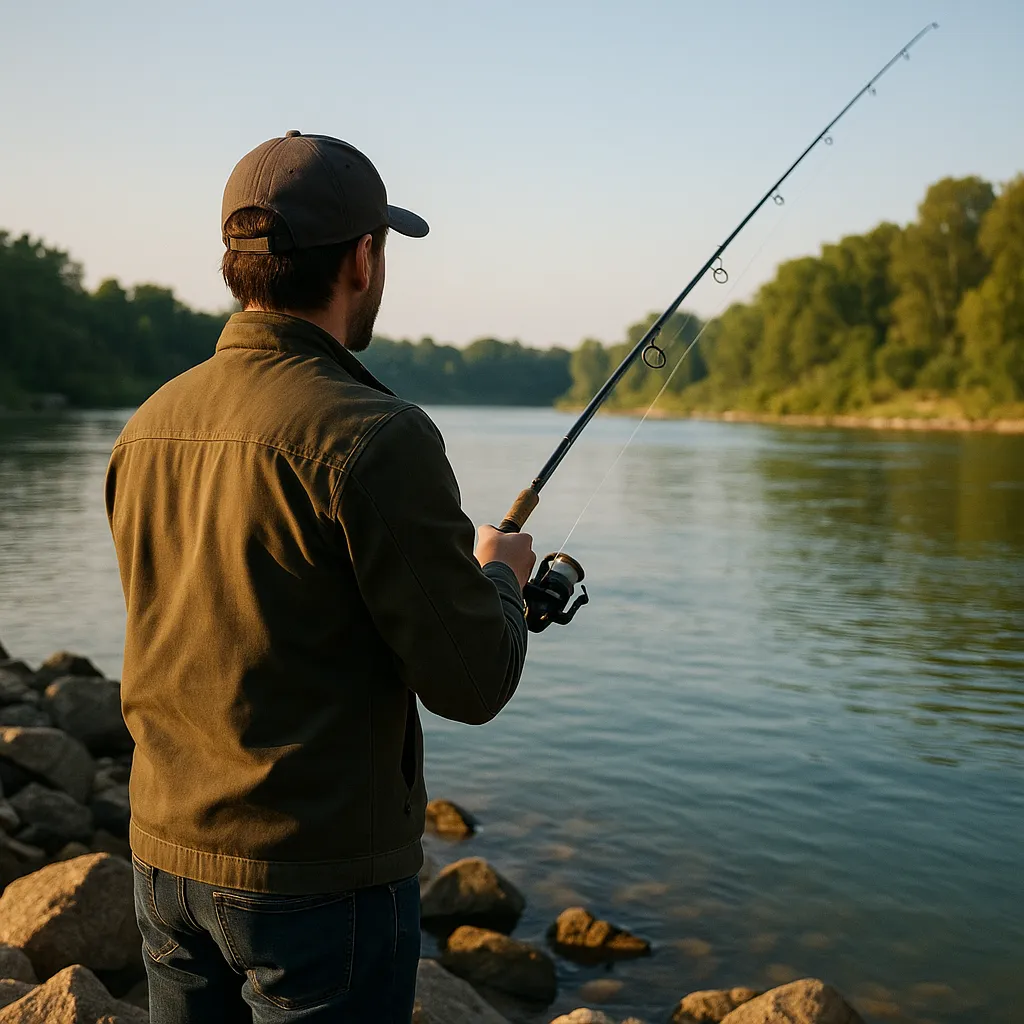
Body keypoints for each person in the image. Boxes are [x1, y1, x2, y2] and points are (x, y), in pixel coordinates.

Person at [105, 131, 536, 1024]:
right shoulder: (378, 436)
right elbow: (472, 680)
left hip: (162, 857)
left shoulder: (145, 426)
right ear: (365, 259)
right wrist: (499, 578)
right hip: (318, 889)